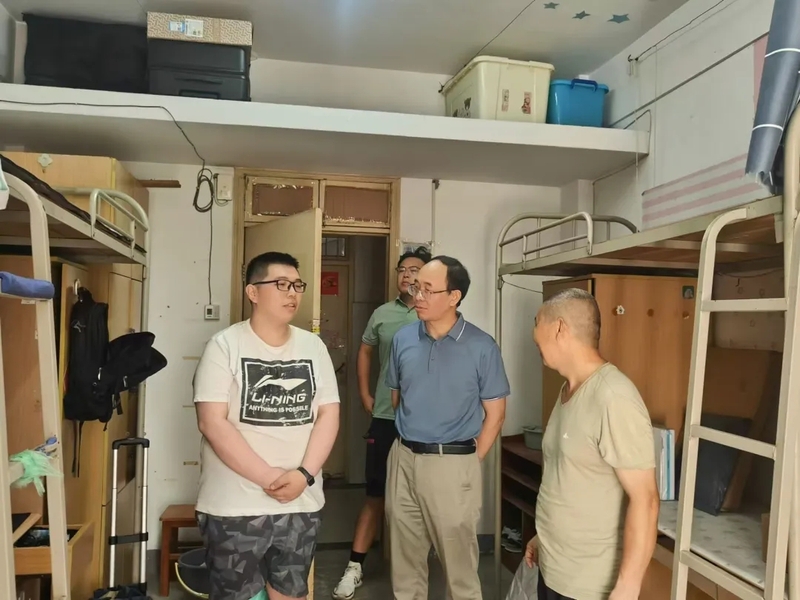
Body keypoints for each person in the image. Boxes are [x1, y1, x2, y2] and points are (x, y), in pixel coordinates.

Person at [193, 251, 340, 600]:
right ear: (253, 292)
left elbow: (328, 415)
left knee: (291, 593)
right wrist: (269, 478)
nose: (292, 293)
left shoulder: (313, 347)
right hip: (235, 506)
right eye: (281, 284)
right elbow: (211, 422)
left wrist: (304, 475)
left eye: (297, 285)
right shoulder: (224, 346)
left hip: (301, 503)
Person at [384, 255, 509, 600]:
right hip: (404, 458)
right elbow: (397, 398)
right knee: (405, 565)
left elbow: (496, 415)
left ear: (454, 296)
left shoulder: (482, 346)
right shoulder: (403, 339)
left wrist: (467, 461)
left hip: (453, 463)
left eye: (428, 289)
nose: (417, 296)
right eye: (415, 287)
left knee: (459, 571)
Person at [525, 287, 659, 600]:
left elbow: (646, 500)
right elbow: (568, 478)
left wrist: (628, 586)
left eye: (537, 323)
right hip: (555, 569)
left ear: (559, 328)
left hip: (588, 583)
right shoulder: (568, 390)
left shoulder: (613, 397)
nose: (533, 334)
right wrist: (543, 537)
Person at [332, 247, 432, 599]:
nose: (406, 275)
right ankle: (354, 567)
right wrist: (364, 393)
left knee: (424, 497)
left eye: (414, 269)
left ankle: (416, 571)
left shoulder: (434, 312)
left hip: (427, 420)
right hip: (387, 416)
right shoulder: (383, 314)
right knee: (376, 494)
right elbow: (365, 350)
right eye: (402, 269)